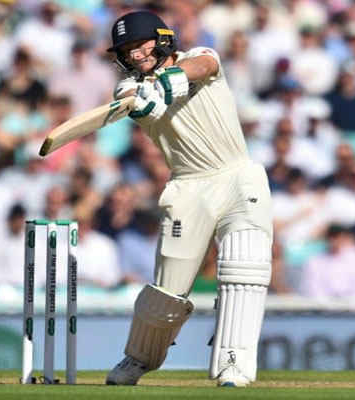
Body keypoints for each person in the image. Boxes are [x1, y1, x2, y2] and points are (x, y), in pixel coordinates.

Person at [103, 11, 273, 388]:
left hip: (237, 176)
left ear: (163, 39)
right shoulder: (130, 88)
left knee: (245, 264)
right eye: (127, 51)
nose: (135, 55)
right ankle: (139, 358)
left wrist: (167, 80)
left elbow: (203, 66)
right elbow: (129, 98)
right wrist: (137, 99)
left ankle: (234, 363)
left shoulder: (200, 56)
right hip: (187, 188)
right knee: (167, 293)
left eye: (141, 45)